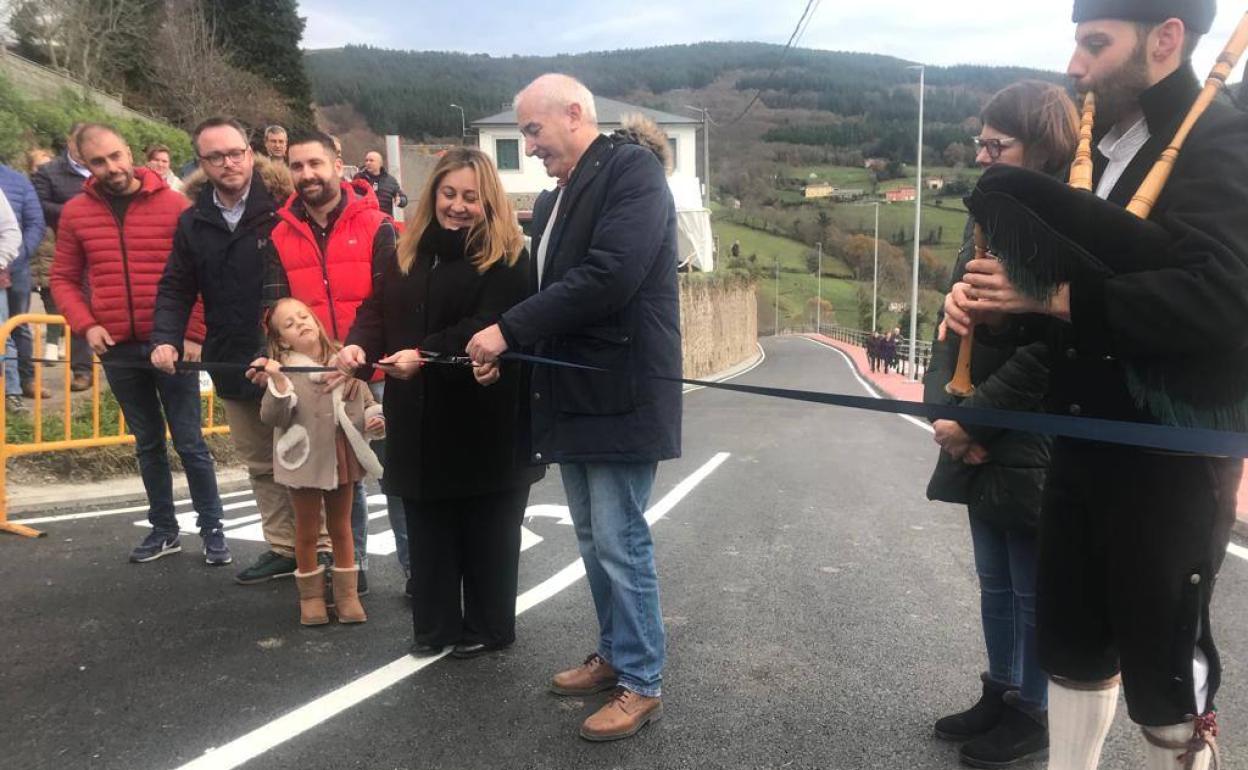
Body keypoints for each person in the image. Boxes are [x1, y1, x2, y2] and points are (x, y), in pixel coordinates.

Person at [943, 3, 1247, 767]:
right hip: (1079, 446)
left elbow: (1225, 300)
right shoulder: (1104, 150)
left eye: (1095, 45)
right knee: (1073, 647)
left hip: (1171, 459)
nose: (1075, 65)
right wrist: (990, 308)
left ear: (1166, 39)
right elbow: (1067, 319)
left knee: (1165, 681)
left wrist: (1053, 297)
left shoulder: (1224, 139)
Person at [466, 74, 681, 742]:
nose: (528, 147)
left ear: (575, 113)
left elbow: (609, 276)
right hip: (580, 392)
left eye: (533, 130)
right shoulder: (563, 193)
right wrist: (514, 343)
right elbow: (560, 287)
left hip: (620, 393)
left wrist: (509, 330)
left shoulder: (632, 173)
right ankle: (617, 654)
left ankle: (642, 681)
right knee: (593, 539)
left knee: (620, 540)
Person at [923, 80, 1078, 769]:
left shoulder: (1066, 222)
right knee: (992, 580)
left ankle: (1035, 713)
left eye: (998, 144)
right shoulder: (985, 213)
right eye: (979, 142)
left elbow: (1050, 354)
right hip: (977, 424)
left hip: (1026, 435)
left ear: (1041, 148)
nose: (983, 155)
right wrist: (945, 410)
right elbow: (950, 321)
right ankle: (1003, 688)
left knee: (1028, 586)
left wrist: (976, 422)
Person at [337, 147, 544, 657]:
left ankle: (487, 627)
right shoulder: (402, 251)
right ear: (433, 196)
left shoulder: (510, 257)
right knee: (428, 529)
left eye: (471, 197)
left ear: (488, 200)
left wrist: (424, 355)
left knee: (487, 531)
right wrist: (360, 344)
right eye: (449, 194)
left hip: (483, 417)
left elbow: (488, 323)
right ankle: (434, 628)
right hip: (418, 416)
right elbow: (374, 308)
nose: (458, 205)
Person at [150, 116, 321, 586]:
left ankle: (324, 550)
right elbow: (176, 286)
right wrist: (165, 336)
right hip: (230, 358)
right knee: (261, 462)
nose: (228, 163)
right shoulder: (194, 221)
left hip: (289, 357)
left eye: (236, 153)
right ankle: (285, 549)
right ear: (202, 163)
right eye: (216, 157)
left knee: (308, 457)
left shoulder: (287, 207)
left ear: (251, 152)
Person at [50, 123, 229, 565]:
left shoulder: (175, 206)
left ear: (129, 153)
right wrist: (86, 325)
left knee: (189, 442)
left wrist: (193, 332)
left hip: (170, 343)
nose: (110, 167)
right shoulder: (75, 213)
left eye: (115, 156)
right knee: (147, 442)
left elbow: (203, 273)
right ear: (83, 164)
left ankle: (213, 530)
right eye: (98, 161)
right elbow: (63, 278)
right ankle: (164, 530)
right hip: (117, 347)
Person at [264, 130, 408, 593]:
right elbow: (273, 310)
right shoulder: (280, 234)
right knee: (341, 482)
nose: (306, 174)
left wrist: (361, 361)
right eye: (298, 166)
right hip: (316, 379)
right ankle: (353, 568)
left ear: (336, 163)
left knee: (397, 475)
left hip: (376, 371)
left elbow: (392, 301)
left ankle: (415, 570)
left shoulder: (377, 224)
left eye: (315, 164)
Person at [260, 297, 383, 626]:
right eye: (289, 324)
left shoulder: (343, 359)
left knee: (342, 527)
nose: (300, 323)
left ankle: (348, 595)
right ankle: (311, 597)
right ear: (281, 339)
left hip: (340, 455)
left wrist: (375, 417)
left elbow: (365, 399)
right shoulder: (282, 369)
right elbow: (272, 416)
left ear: (316, 321)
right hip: (301, 458)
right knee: (307, 530)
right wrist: (280, 384)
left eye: (304, 316)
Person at [32, 124, 93, 390]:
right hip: (70, 250)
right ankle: (82, 370)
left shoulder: (103, 168)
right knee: (79, 309)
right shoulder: (49, 173)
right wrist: (75, 210)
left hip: (107, 248)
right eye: (79, 143)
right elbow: (37, 206)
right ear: (69, 142)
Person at [0, 160, 47, 406]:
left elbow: (34, 223)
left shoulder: (17, 180)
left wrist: (19, 254)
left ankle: (22, 383)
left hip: (14, 266)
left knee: (16, 326)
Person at [355, 151, 408, 218]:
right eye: (366, 160)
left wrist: (400, 200)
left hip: (384, 221)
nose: (368, 163)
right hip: (364, 221)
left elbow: (404, 199)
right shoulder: (358, 178)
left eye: (371, 161)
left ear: (380, 164)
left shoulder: (390, 181)